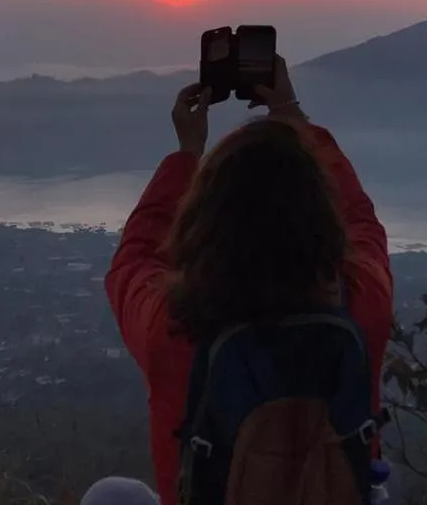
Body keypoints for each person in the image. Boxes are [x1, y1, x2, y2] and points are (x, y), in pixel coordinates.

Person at [87, 55, 394, 505]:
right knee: (386, 485)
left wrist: (187, 153)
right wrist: (289, 111)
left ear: (204, 219)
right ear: (320, 216)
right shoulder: (361, 303)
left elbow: (133, 258)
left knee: (109, 496)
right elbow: (362, 221)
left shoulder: (173, 326)